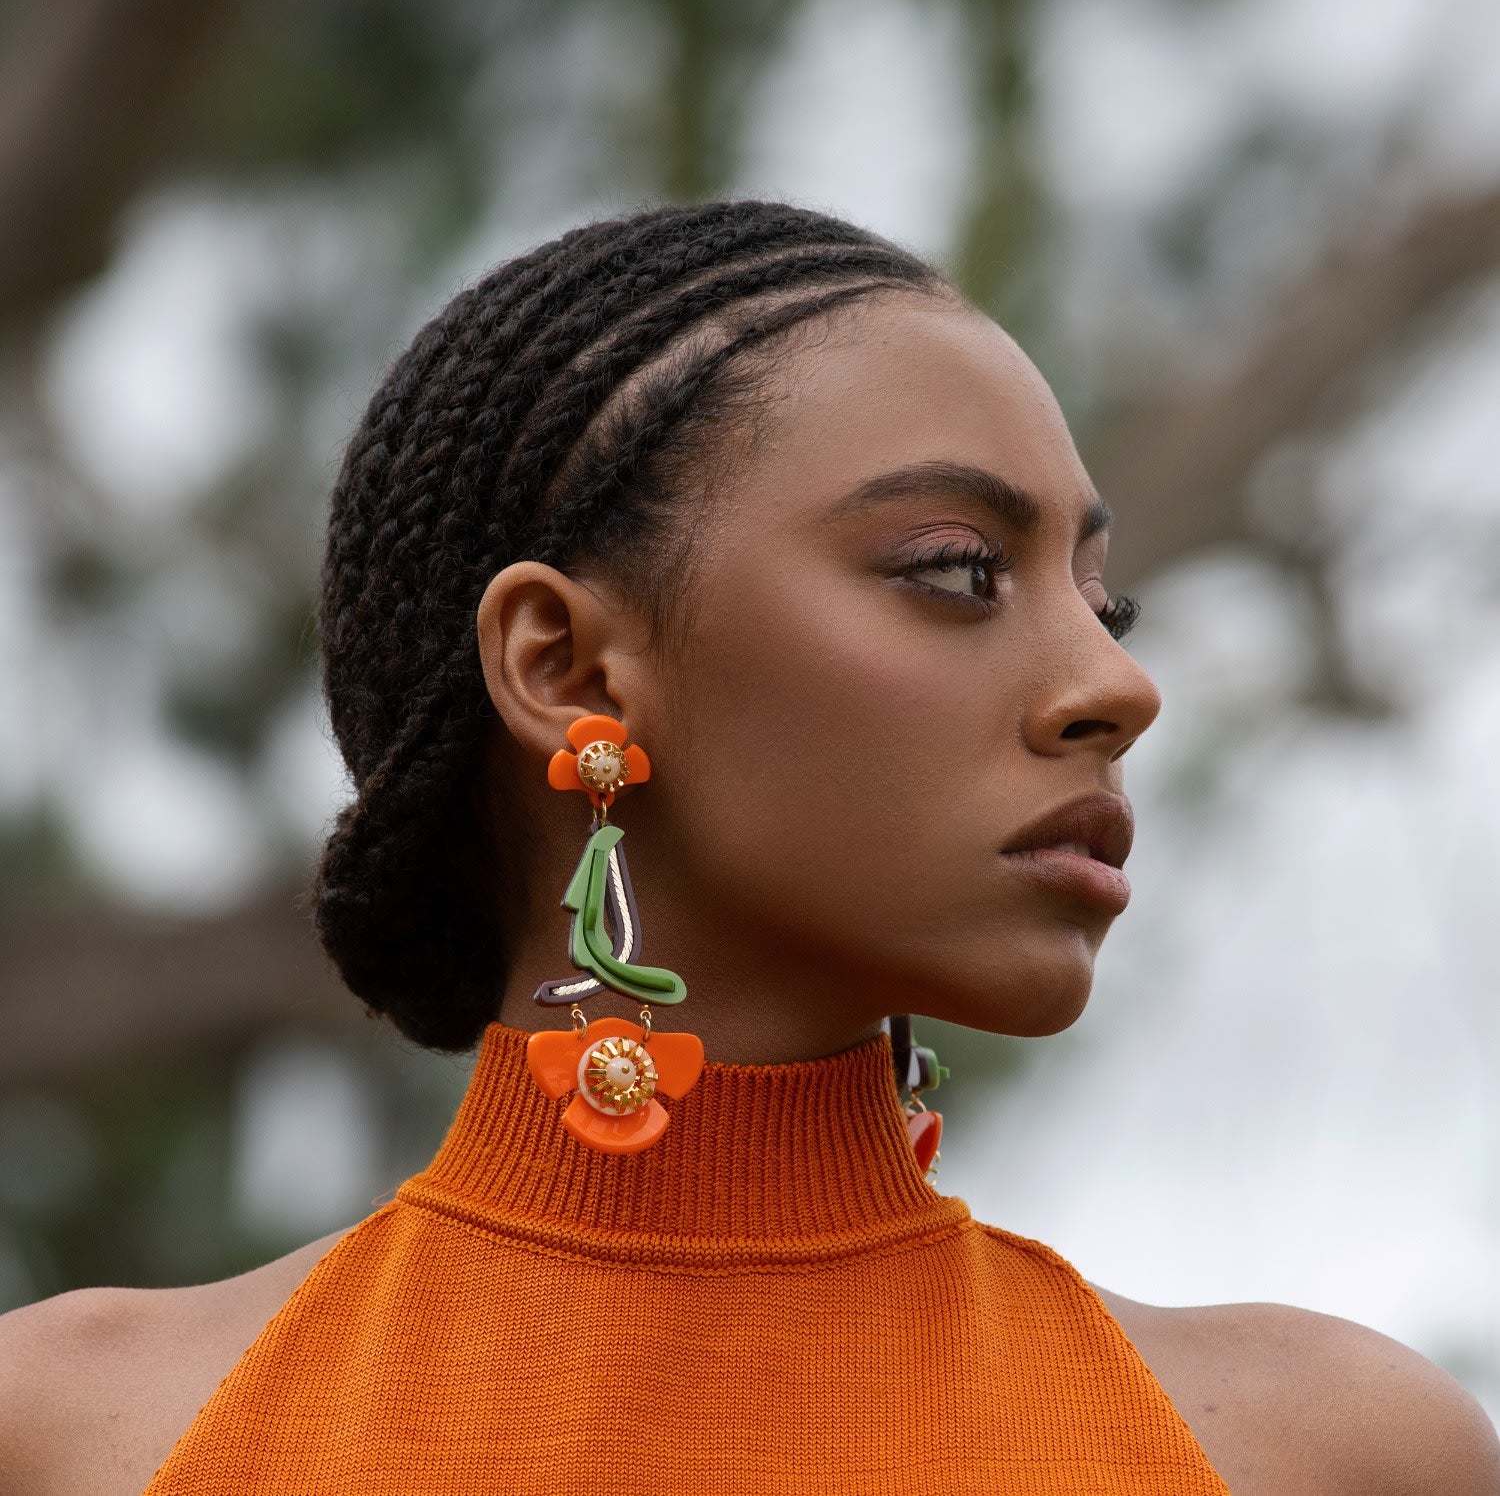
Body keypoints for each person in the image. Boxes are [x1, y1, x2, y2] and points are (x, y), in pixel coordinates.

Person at [2, 197, 1497, 1495]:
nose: (1118, 687)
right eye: (960, 572)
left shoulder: (1337, 1461)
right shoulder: (81, 1442)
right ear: (568, 669)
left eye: (1104, 605)